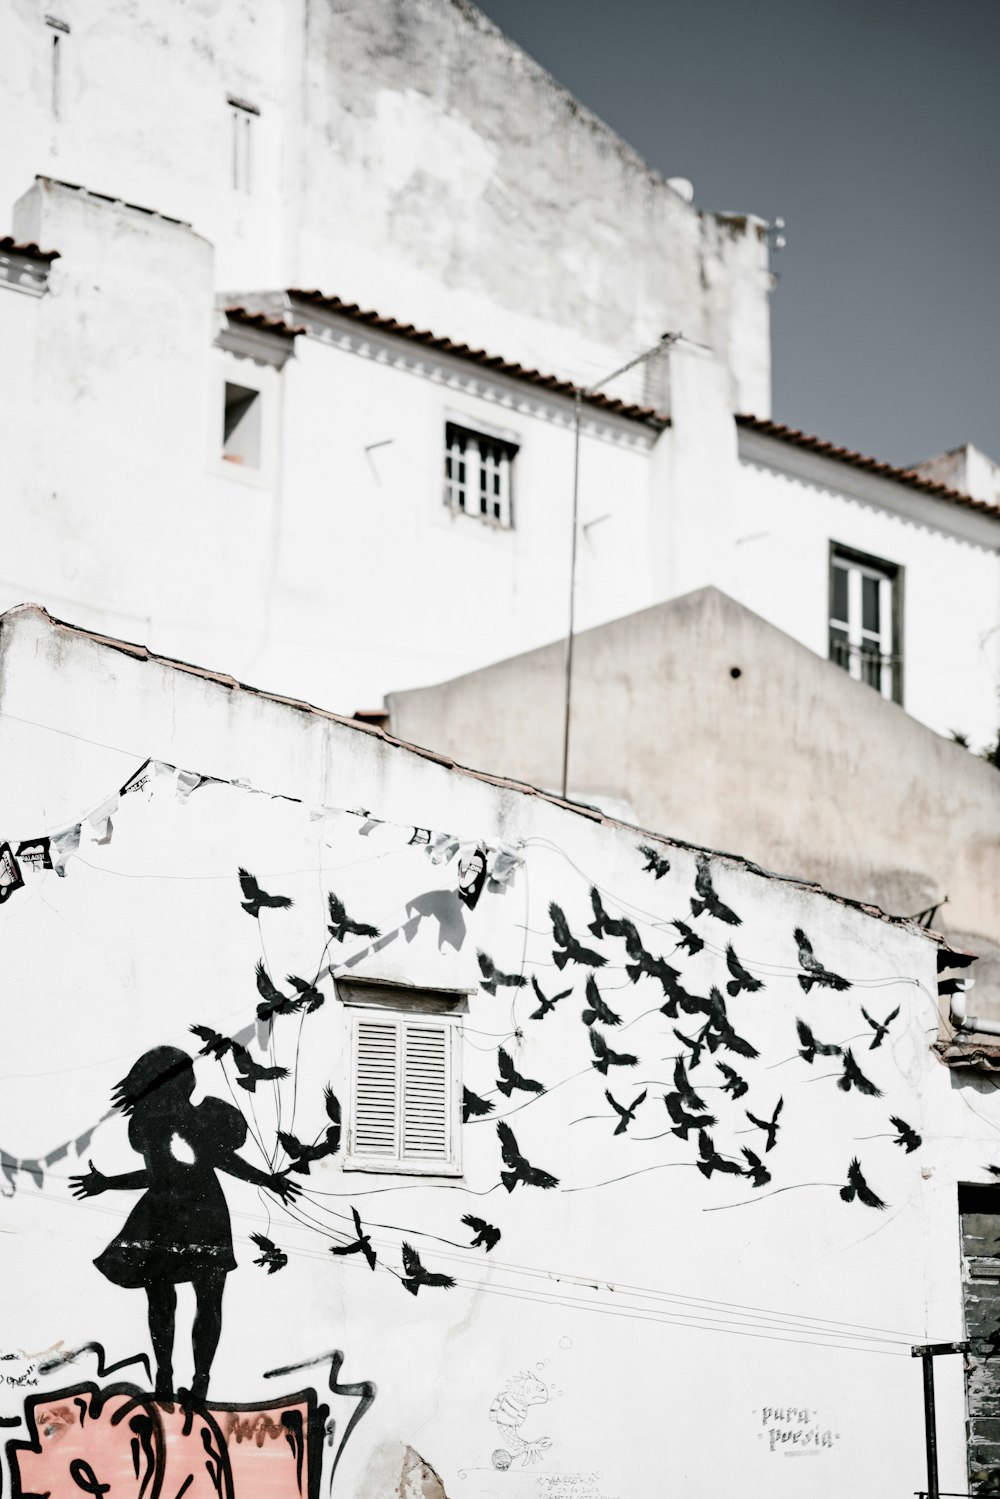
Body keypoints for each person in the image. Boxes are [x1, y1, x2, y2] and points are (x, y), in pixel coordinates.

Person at [70, 1045, 298, 1401]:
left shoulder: (153, 1122)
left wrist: (108, 1183)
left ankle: (176, 1377)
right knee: (195, 1301)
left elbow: (172, 1171)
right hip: (197, 1215)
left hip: (168, 1216)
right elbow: (204, 1163)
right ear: (174, 1079)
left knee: (171, 1300)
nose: (192, 1077)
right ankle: (187, 1380)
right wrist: (265, 1179)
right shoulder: (181, 1119)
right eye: (186, 1070)